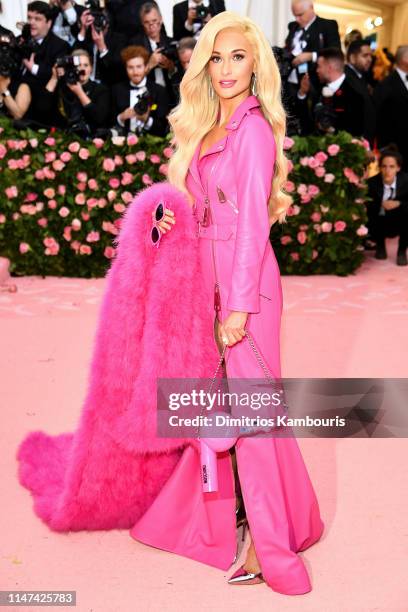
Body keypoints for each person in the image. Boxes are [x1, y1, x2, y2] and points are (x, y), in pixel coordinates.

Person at [130, 11, 324, 595]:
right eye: (216, 57)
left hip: (247, 291)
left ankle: (271, 549)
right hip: (206, 285)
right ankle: (248, 522)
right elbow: (197, 210)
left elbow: (252, 229)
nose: (226, 68)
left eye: (238, 56)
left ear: (256, 63)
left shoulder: (255, 130)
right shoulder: (209, 126)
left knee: (254, 420)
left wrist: (237, 307)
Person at [39, 48, 111, 136]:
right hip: (62, 136)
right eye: (78, 65)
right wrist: (54, 78)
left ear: (91, 68)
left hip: (90, 138)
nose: (82, 69)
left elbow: (99, 118)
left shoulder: (100, 89)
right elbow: (42, 109)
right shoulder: (62, 87)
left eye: (86, 65)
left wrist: (80, 93)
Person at [297, 47, 366, 137]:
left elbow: (354, 133)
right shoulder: (318, 89)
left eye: (319, 66)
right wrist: (302, 93)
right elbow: (307, 121)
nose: (317, 70)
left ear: (329, 68)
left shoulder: (354, 95)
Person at [284, 0, 340, 95]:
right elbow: (288, 47)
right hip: (289, 82)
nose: (297, 19)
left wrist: (312, 56)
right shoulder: (293, 26)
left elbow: (336, 52)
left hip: (313, 84)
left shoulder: (327, 25)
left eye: (300, 15)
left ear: (311, 8)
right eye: (295, 15)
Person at [112, 45, 169, 136]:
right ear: (125, 68)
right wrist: (121, 117)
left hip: (153, 144)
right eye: (130, 67)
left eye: (139, 67)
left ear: (146, 67)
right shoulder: (117, 90)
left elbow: (164, 128)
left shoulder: (158, 91)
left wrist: (147, 120)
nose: (135, 72)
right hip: (124, 143)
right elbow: (108, 122)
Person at [129, 2, 177, 107]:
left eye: (155, 21)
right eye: (147, 22)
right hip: (147, 95)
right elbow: (132, 78)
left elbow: (179, 75)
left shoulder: (171, 42)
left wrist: (170, 66)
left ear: (161, 19)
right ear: (142, 23)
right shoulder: (135, 44)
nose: (152, 26)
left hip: (170, 95)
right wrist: (150, 65)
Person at [366, 149, 408, 266]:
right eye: (384, 167)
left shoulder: (406, 181)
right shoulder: (372, 183)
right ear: (379, 168)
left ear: (398, 168)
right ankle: (380, 245)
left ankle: (402, 251)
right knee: (373, 214)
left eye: (391, 167)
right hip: (380, 219)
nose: (387, 171)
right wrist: (380, 204)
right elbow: (367, 205)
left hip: (401, 218)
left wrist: (398, 203)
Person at [19, 1, 70, 91]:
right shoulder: (20, 39)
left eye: (37, 19)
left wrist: (33, 68)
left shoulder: (60, 45)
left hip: (43, 95)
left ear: (49, 23)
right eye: (29, 18)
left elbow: (57, 73)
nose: (31, 22)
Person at [374, 46, 408, 172]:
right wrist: (385, 147)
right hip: (394, 148)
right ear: (405, 59)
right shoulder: (385, 85)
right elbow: (377, 115)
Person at [74, 5, 127, 85]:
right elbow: (74, 56)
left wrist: (102, 48)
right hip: (86, 83)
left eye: (101, 21)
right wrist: (83, 29)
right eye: (95, 21)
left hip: (106, 86)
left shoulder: (119, 40)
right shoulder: (88, 37)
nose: (97, 25)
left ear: (108, 24)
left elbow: (116, 71)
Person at [345, 39, 376, 146]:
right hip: (354, 143)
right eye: (365, 55)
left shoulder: (360, 76)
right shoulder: (346, 78)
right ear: (352, 58)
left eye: (370, 56)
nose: (370, 59)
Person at [169, 36, 196, 103]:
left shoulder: (213, 75)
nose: (186, 67)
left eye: (189, 61)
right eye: (183, 62)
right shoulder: (176, 79)